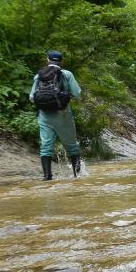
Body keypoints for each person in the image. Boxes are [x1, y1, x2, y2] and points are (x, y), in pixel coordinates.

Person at [30, 50, 82, 181]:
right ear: (61, 62)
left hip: (44, 115)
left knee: (46, 145)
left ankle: (47, 177)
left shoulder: (38, 76)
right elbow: (77, 94)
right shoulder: (66, 74)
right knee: (71, 145)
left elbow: (31, 97)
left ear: (47, 60)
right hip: (63, 114)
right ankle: (78, 176)